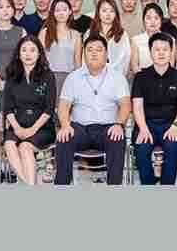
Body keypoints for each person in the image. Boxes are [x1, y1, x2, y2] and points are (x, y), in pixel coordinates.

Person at [54, 35, 131, 185]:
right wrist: (65, 125)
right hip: (79, 128)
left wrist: (119, 124)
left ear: (106, 54)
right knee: (64, 138)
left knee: (117, 138)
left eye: (99, 50)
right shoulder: (73, 77)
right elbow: (63, 106)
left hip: (108, 128)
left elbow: (125, 105)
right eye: (89, 50)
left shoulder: (117, 77)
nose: (94, 53)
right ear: (84, 54)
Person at [131, 32, 177, 185]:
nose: (161, 53)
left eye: (165, 49)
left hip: (171, 124)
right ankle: (148, 183)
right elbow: (137, 106)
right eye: (157, 49)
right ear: (150, 52)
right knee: (142, 148)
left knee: (172, 147)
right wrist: (143, 128)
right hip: (146, 124)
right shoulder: (140, 76)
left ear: (171, 52)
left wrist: (175, 127)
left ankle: (167, 185)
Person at [2, 36, 58, 185]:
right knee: (9, 144)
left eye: (32, 50)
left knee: (25, 147)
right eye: (24, 50)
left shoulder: (48, 75)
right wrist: (17, 128)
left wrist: (32, 130)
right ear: (18, 53)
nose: (28, 54)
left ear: (39, 53)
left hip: (42, 127)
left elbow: (49, 108)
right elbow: (7, 107)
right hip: (17, 125)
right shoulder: (12, 75)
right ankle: (29, 185)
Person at [38, 0, 83, 98]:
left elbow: (77, 62)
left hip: (69, 78)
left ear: (70, 12)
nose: (61, 13)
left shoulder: (76, 35)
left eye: (64, 10)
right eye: (57, 10)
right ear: (52, 13)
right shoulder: (44, 33)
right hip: (48, 77)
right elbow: (39, 58)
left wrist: (79, 81)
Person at [85, 0, 131, 77]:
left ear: (116, 14)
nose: (108, 14)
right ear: (98, 13)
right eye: (104, 11)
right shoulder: (89, 33)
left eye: (112, 11)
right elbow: (85, 57)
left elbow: (126, 58)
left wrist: (113, 74)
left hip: (116, 76)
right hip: (93, 75)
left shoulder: (122, 34)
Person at [131, 3, 170, 74]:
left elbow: (171, 65)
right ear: (143, 20)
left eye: (156, 18)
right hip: (142, 78)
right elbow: (134, 66)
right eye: (148, 18)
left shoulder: (170, 39)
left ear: (161, 20)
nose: (152, 21)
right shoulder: (136, 40)